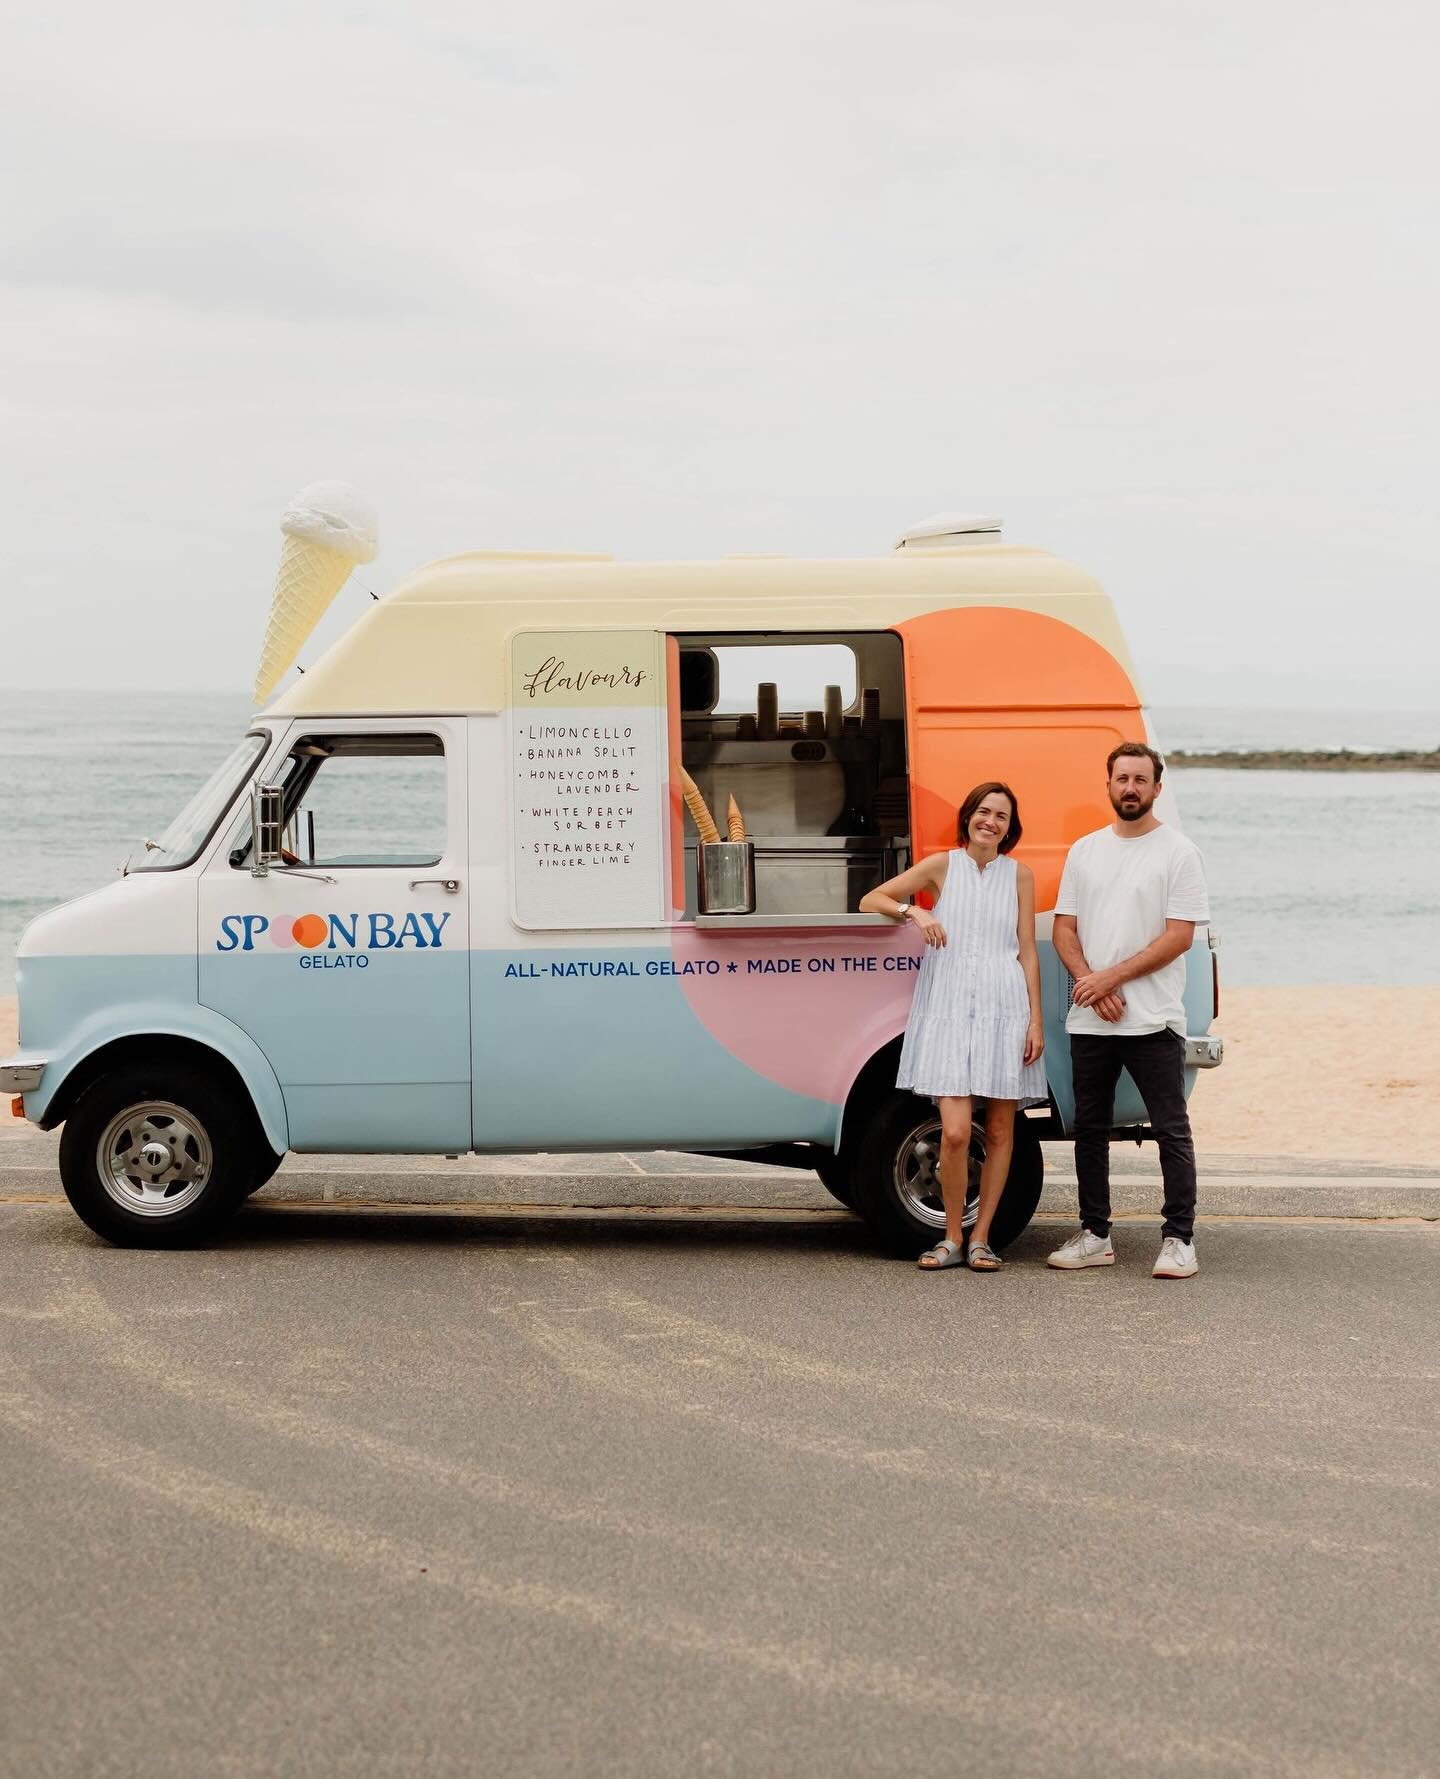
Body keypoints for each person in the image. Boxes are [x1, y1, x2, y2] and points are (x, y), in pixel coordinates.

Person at [860, 782, 1047, 1272]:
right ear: (968, 817)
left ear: (1010, 828)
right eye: (984, 812)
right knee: (958, 1132)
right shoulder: (942, 866)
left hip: (1004, 1008)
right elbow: (871, 899)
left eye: (1001, 816)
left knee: (1003, 1130)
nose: (991, 821)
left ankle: (982, 1237)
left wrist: (1036, 1021)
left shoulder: (1020, 876)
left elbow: (1027, 950)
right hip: (947, 1009)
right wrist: (915, 911)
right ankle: (950, 1237)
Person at [1047, 742, 1211, 1280]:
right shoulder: (1085, 850)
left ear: (1157, 788)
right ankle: (1095, 1234)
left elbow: (1179, 937)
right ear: (1109, 784)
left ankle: (1179, 1239)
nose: (1131, 788)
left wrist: (1110, 978)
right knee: (1088, 1130)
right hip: (1092, 1018)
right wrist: (1090, 982)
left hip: (1154, 1018)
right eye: (1122, 779)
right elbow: (1063, 929)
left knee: (1171, 1129)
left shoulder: (1178, 852)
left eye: (1141, 780)